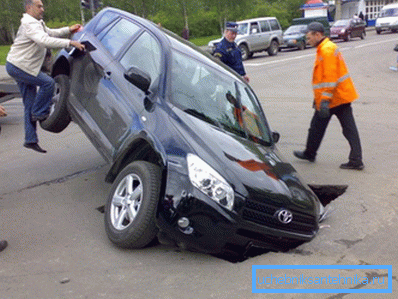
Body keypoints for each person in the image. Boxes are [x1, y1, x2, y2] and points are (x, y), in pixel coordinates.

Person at [5, 0, 85, 153]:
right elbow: (44, 40)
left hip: (21, 65)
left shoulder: (37, 22)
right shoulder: (29, 24)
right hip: (19, 66)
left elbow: (50, 33)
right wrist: (70, 42)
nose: (43, 9)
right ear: (29, 7)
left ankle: (30, 139)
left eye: (42, 6)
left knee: (29, 103)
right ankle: (39, 113)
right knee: (48, 84)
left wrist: (68, 29)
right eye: (39, 6)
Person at [293, 22, 364, 170]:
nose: (308, 40)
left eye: (309, 37)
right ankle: (310, 153)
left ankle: (355, 160)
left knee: (343, 128)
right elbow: (323, 78)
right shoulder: (324, 48)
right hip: (336, 97)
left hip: (335, 98)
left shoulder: (326, 50)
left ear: (317, 35)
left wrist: (324, 100)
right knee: (319, 127)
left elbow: (330, 78)